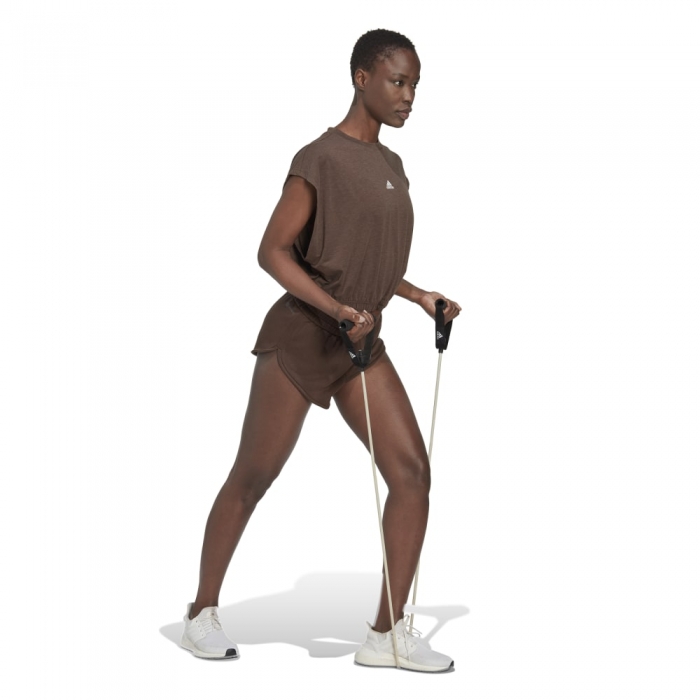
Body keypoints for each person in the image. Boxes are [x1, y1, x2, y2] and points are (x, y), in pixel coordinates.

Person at [180, 28, 461, 672]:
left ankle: (386, 635)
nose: (409, 95)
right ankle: (201, 613)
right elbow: (272, 251)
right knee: (253, 477)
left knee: (412, 475)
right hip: (305, 335)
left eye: (416, 84)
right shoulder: (319, 157)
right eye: (398, 81)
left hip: (361, 340)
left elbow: (365, 259)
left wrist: (418, 296)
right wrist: (336, 311)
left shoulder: (392, 167)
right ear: (362, 78)